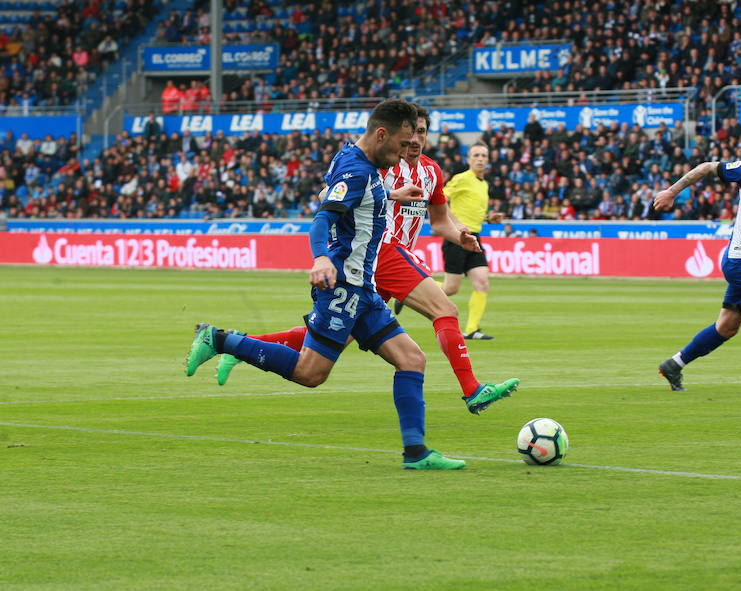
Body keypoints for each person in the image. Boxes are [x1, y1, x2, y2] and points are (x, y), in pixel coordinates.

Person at [185, 99, 466, 470]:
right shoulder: (357, 171)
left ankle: (416, 452)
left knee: (412, 358)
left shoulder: (356, 160)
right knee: (311, 373)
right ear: (381, 134)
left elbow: (355, 201)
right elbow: (322, 219)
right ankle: (218, 339)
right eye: (400, 144)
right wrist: (320, 258)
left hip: (364, 289)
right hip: (344, 287)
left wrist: (390, 195)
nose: (402, 154)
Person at [214, 105, 519, 414]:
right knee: (445, 309)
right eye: (411, 132)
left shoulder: (431, 172)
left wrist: (459, 236)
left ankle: (241, 346)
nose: (415, 139)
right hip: (384, 250)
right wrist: (390, 193)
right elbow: (327, 195)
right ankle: (473, 389)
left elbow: (439, 221)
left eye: (422, 132)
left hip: (384, 262)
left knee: (332, 338)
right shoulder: (382, 163)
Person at [654, 160, 741, 391]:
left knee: (727, 326)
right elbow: (707, 167)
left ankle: (674, 364)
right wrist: (671, 191)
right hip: (740, 260)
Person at [439, 141, 503, 340]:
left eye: (484, 155)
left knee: (482, 283)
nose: (480, 159)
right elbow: (439, 197)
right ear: (469, 159)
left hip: (475, 237)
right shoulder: (462, 179)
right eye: (476, 155)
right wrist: (456, 223)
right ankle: (412, 289)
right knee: (451, 288)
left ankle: (472, 329)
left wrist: (488, 219)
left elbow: (470, 211)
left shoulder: (483, 184)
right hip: (458, 238)